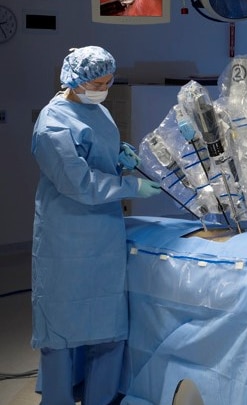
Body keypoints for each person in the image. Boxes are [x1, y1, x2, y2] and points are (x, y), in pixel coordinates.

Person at [31, 45, 162, 405]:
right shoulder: (52, 123)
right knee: (60, 324)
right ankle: (58, 397)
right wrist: (131, 185)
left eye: (108, 81)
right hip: (66, 234)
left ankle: (101, 398)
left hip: (103, 229)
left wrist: (119, 157)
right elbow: (78, 183)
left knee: (108, 323)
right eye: (97, 82)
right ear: (75, 79)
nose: (103, 88)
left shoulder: (98, 109)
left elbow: (99, 154)